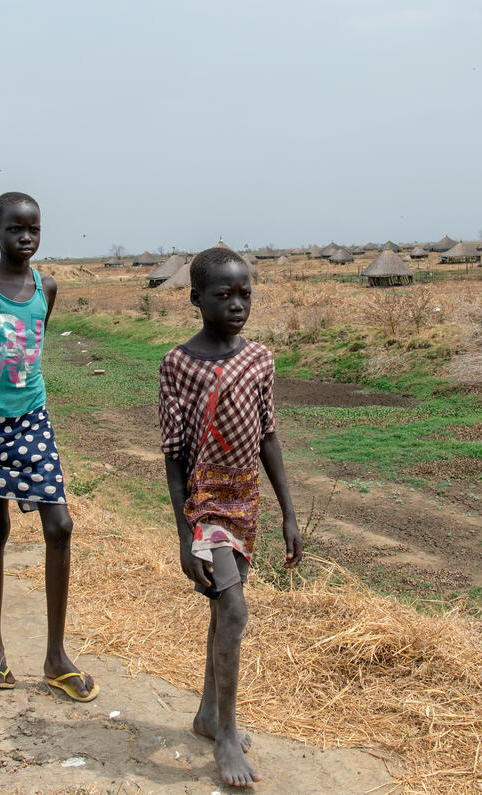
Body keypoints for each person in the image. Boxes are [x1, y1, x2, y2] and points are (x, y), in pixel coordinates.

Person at [159, 246, 303, 788]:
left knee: (223, 610)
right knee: (237, 610)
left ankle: (205, 715)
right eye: (224, 294)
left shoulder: (259, 359)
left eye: (245, 293)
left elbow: (268, 435)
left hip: (245, 500)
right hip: (205, 502)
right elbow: (173, 455)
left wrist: (290, 513)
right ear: (197, 299)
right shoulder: (179, 364)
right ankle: (226, 735)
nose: (237, 304)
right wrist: (182, 533)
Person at [0, 192, 97, 701]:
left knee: (60, 525)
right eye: (15, 229)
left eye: (33, 229)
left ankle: (56, 656)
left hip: (34, 420)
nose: (26, 238)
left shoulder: (46, 287)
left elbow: (31, 352)